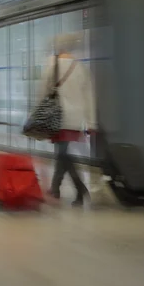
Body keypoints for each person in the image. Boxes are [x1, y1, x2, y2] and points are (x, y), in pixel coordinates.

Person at [41, 33, 97, 206]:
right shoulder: (81, 67)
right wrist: (91, 122)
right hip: (75, 118)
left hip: (58, 116)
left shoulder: (52, 65)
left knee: (63, 154)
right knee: (62, 152)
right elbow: (89, 96)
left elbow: (43, 92)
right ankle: (55, 188)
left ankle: (81, 190)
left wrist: (38, 114)